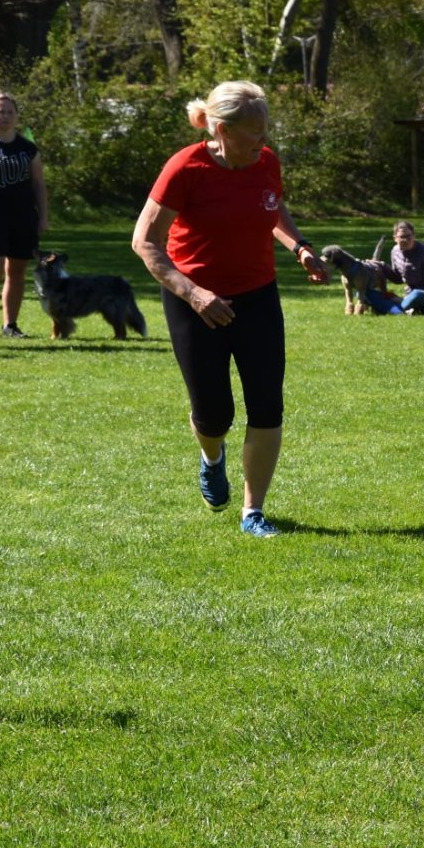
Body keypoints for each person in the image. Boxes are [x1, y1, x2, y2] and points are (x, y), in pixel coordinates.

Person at [132, 80, 329, 538]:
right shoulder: (186, 167)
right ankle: (211, 456)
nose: (264, 139)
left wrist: (300, 247)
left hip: (257, 296)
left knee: (267, 405)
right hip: (194, 302)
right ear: (222, 129)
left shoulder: (267, 162)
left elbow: (272, 206)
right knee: (213, 413)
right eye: (255, 131)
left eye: (265, 129)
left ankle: (252, 511)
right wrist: (194, 294)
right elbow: (145, 241)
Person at [0, 91, 48, 338]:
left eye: (10, 112)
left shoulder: (28, 148)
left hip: (22, 216)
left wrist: (43, 216)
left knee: (17, 270)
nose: (5, 116)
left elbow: (38, 183)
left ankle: (10, 326)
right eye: (0, 111)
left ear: (16, 116)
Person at [388, 220, 424, 314]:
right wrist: (380, 267)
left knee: (418, 294)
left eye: (408, 236)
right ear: (395, 238)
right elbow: (397, 278)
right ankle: (396, 307)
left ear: (414, 236)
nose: (406, 240)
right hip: (410, 297)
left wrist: (409, 298)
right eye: (402, 237)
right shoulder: (395, 252)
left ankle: (394, 308)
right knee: (376, 294)